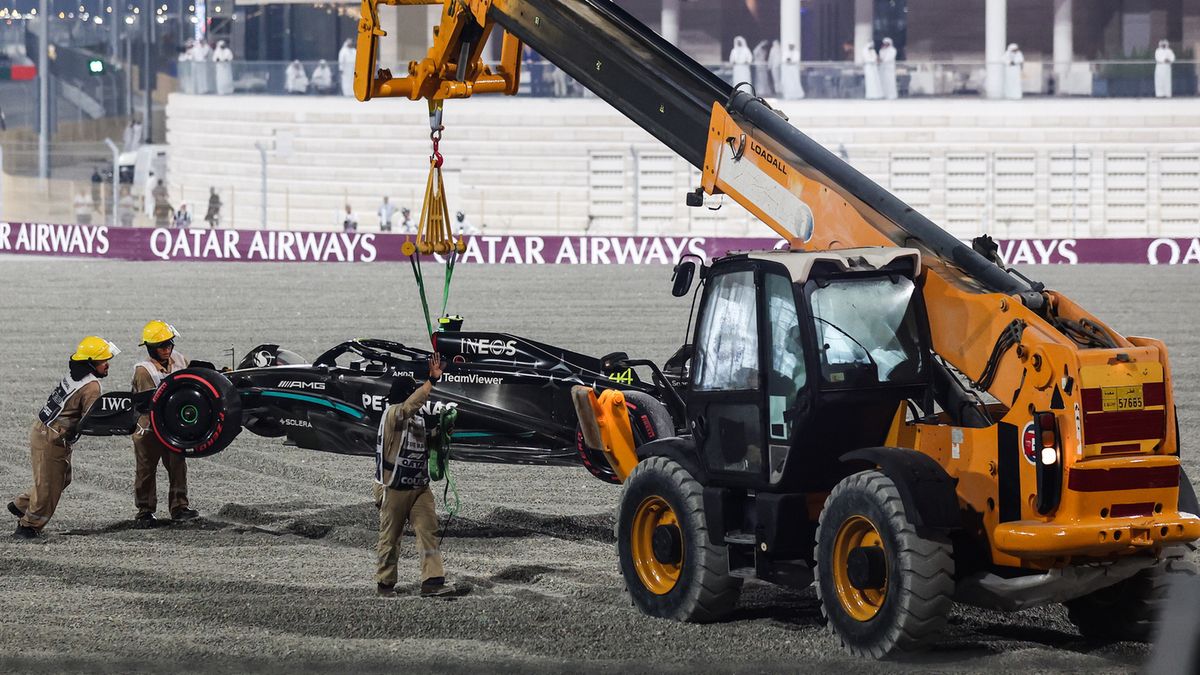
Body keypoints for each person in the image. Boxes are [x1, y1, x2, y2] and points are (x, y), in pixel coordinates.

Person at [9, 336, 120, 538]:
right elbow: (90, 419)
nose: (107, 364)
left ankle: (22, 505)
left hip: (43, 429)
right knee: (49, 486)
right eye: (103, 360)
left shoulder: (77, 374)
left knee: (61, 478)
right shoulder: (92, 386)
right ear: (90, 363)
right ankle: (28, 526)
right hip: (52, 438)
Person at [374, 353, 454, 598]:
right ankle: (385, 584)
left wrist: (443, 430)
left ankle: (432, 582)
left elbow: (428, 445)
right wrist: (432, 381)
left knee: (428, 532)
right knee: (390, 538)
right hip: (393, 487)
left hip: (419, 487)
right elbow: (411, 405)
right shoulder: (392, 414)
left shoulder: (417, 420)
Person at [130, 321, 198, 525]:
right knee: (146, 469)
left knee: (178, 465)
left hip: (172, 424)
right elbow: (149, 403)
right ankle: (145, 511)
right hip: (149, 426)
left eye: (169, 344)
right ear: (151, 348)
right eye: (162, 346)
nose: (167, 349)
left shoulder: (180, 359)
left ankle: (179, 507)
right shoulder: (144, 371)